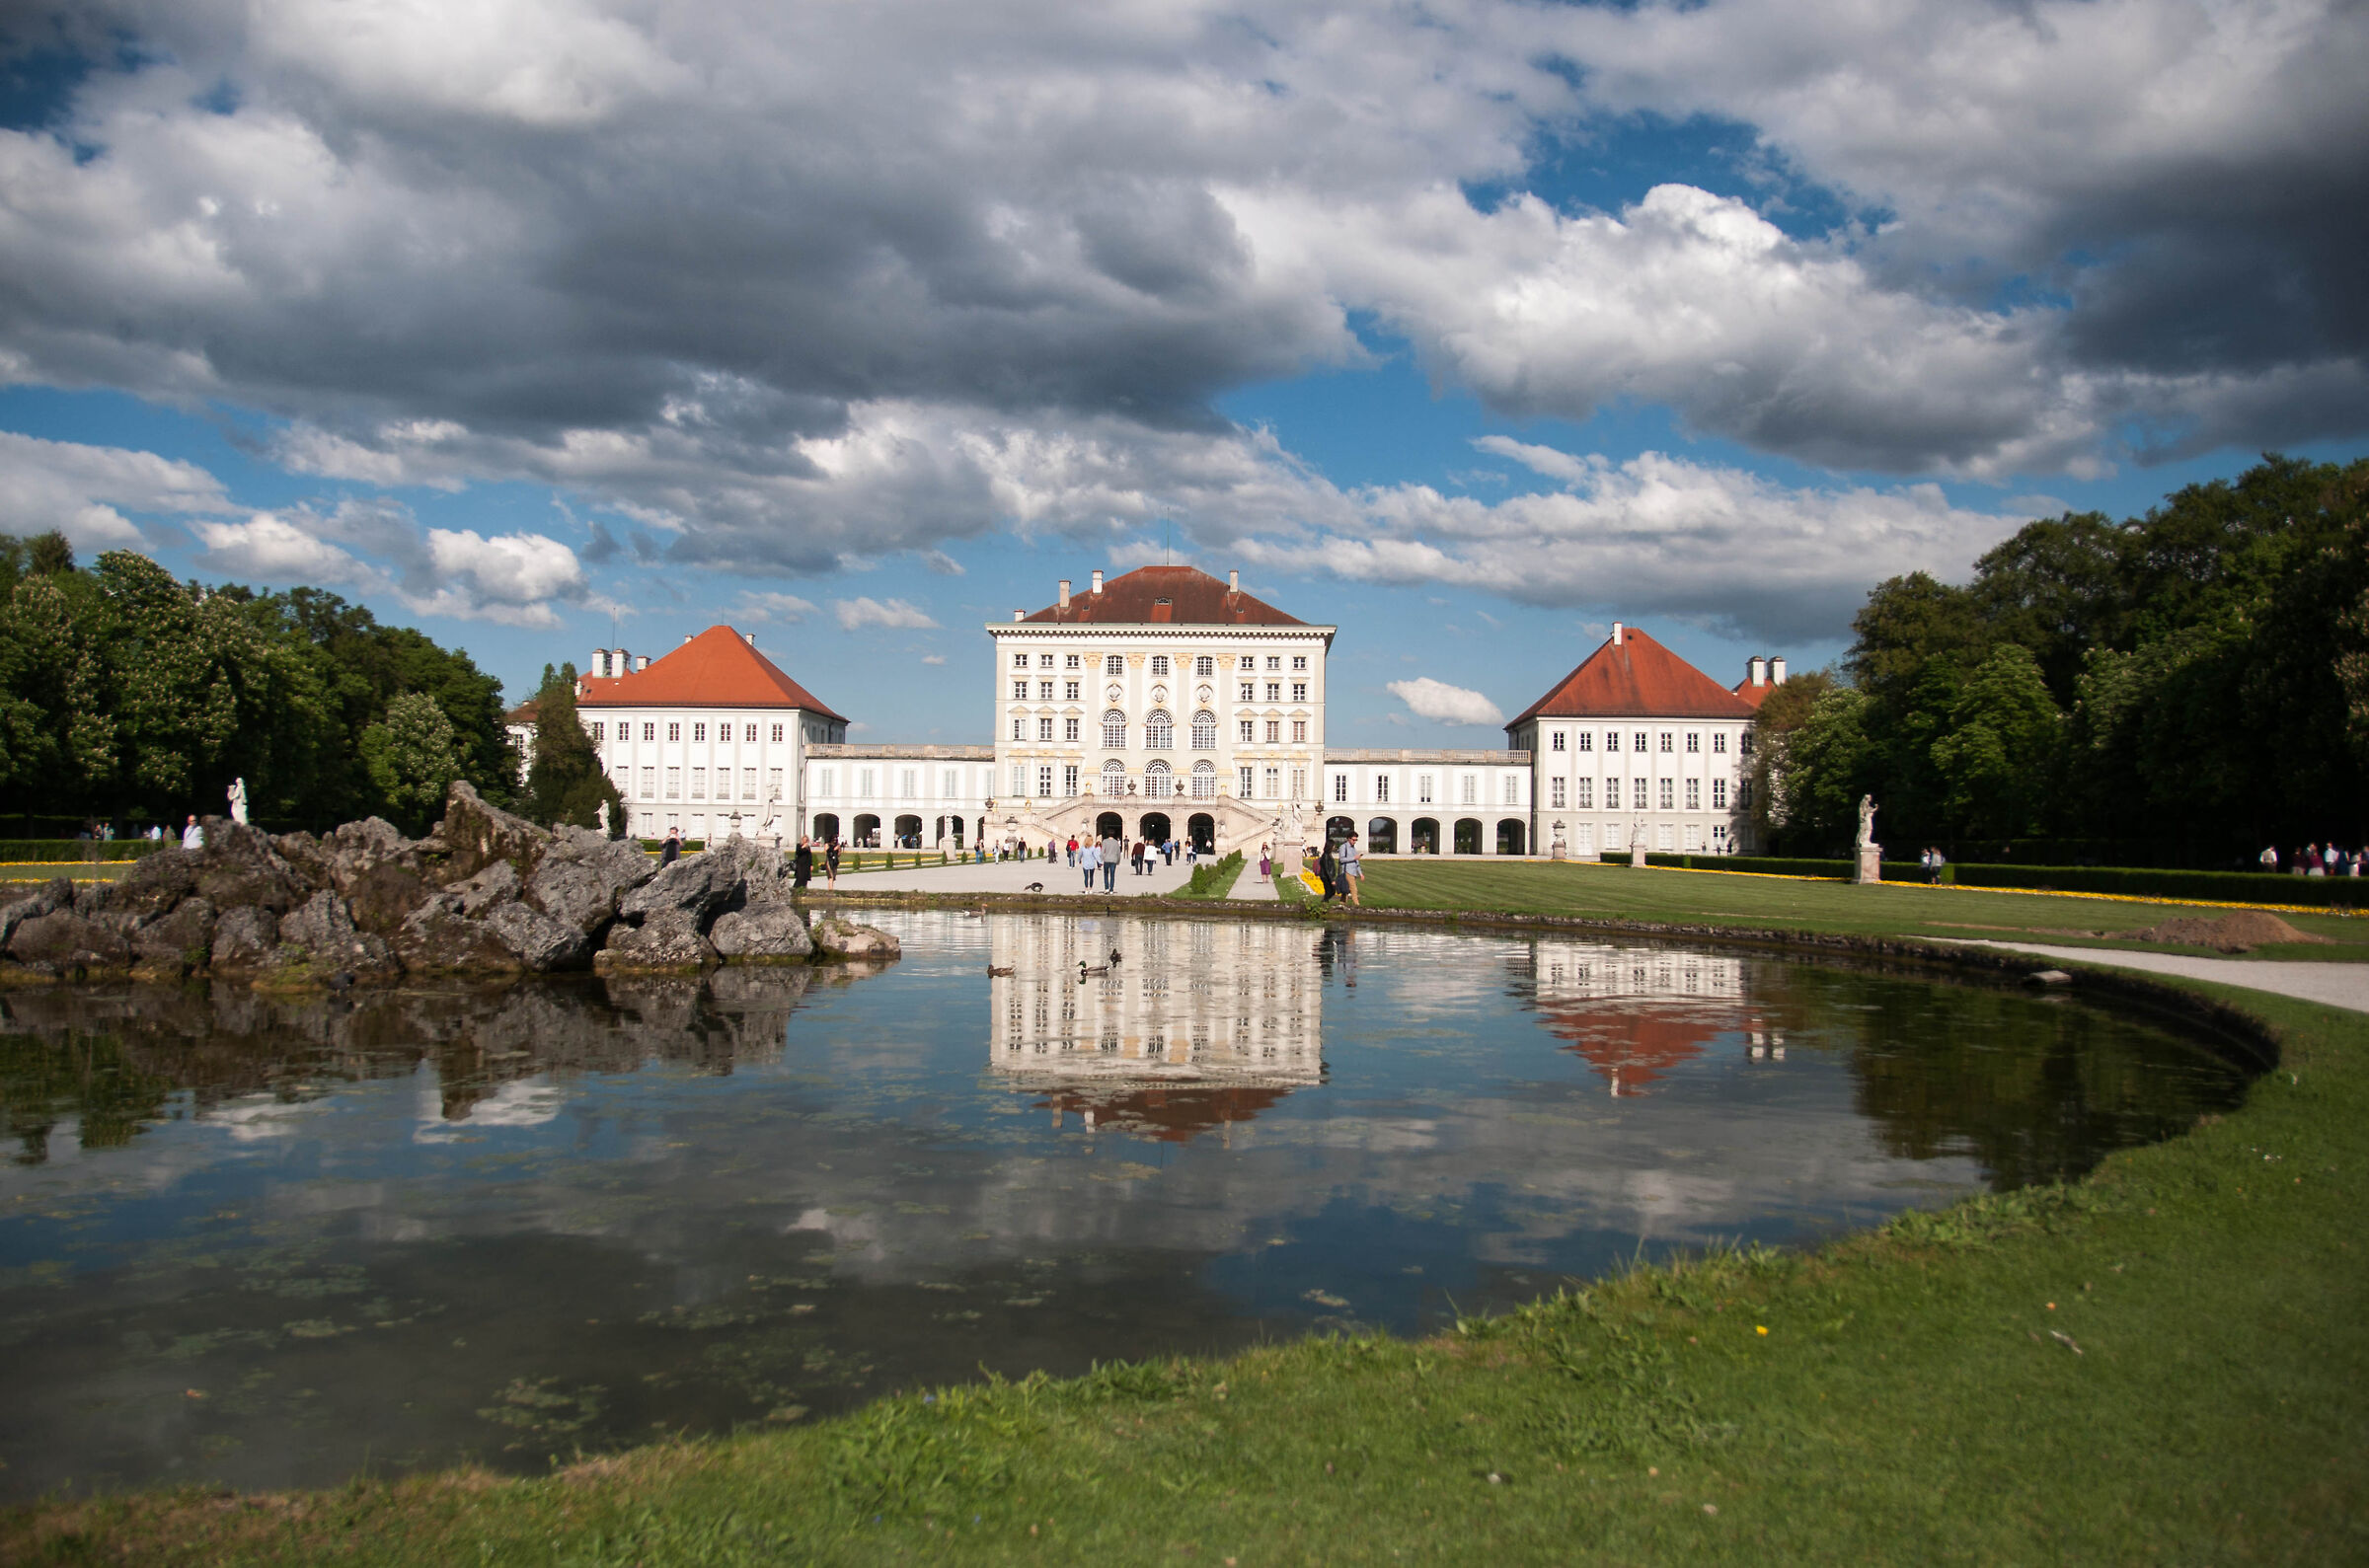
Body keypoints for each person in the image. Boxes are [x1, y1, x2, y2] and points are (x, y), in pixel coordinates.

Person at [1339, 829, 1363, 906]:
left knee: (1346, 889)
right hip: (1347, 871)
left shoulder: (1353, 848)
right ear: (1349, 838)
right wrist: (1354, 858)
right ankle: (1357, 904)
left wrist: (1361, 874)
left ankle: (1342, 903)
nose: (1354, 841)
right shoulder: (1343, 847)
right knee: (1354, 888)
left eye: (1356, 840)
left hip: (1353, 871)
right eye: (1353, 840)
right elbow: (1342, 859)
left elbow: (1357, 862)